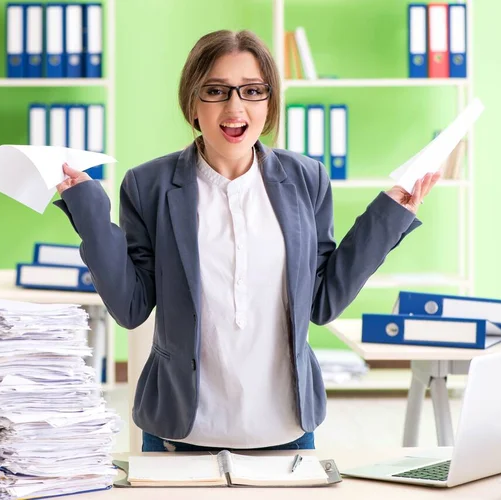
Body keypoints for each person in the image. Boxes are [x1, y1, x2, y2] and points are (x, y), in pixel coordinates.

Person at [54, 29, 439, 453]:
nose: (235, 107)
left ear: (269, 103)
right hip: (181, 432)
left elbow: (323, 301)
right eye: (216, 90)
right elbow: (131, 308)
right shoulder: (149, 185)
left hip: (287, 432)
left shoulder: (306, 179)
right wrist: (88, 210)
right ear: (192, 104)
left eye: (252, 91)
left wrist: (389, 215)